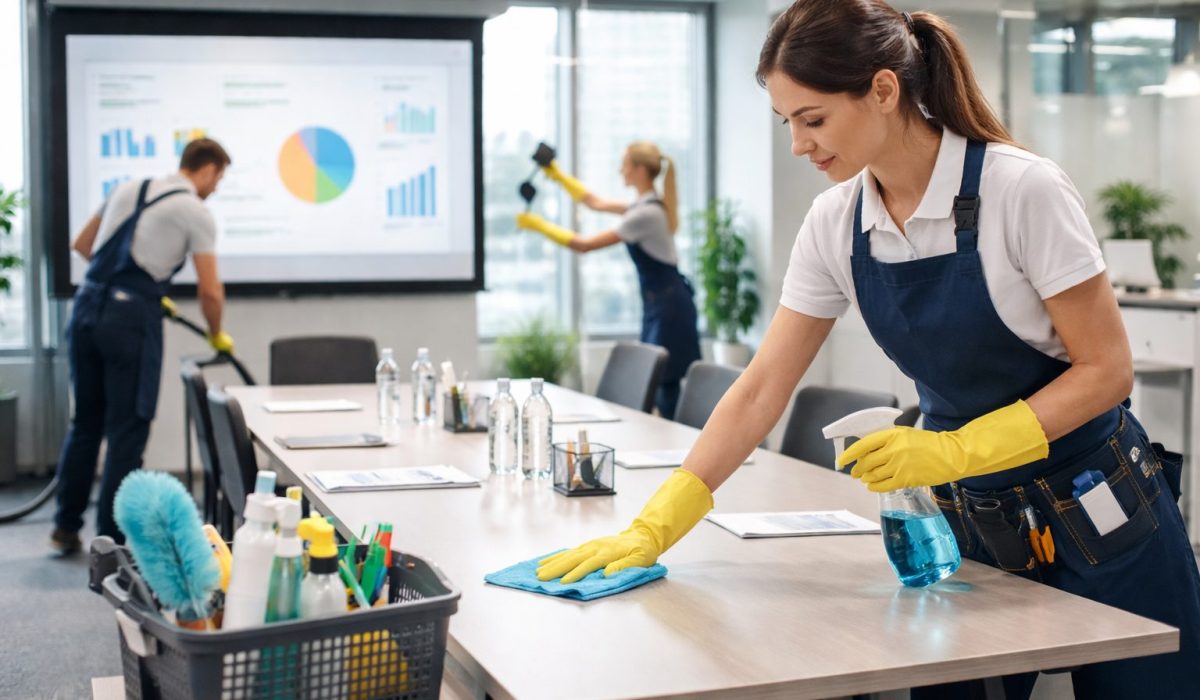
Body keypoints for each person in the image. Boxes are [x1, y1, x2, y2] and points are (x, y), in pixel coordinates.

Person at [534, 2, 1200, 697]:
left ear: (884, 90)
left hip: (1101, 508)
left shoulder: (1021, 190)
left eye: (812, 119)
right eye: (786, 121)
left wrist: (956, 449)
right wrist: (657, 522)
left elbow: (1107, 371)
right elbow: (764, 386)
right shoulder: (836, 224)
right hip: (972, 527)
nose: (798, 144)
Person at [50, 138, 235, 553]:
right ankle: (110, 545)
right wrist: (216, 332)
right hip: (129, 322)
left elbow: (82, 245)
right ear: (205, 170)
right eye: (219, 178)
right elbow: (211, 293)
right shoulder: (195, 211)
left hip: (86, 309)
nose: (216, 188)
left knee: (86, 424)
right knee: (127, 431)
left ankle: (64, 527)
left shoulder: (127, 187)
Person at [515, 141, 701, 419]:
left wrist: (538, 225)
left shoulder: (645, 214)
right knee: (664, 386)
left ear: (639, 169)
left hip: (669, 308)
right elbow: (595, 203)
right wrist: (558, 175)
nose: (620, 170)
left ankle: (690, 449)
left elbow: (585, 245)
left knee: (665, 387)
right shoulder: (644, 205)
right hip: (661, 303)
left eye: (624, 163)